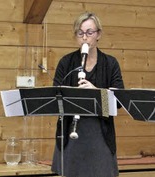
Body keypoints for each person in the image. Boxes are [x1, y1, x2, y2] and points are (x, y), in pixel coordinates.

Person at [50, 12, 124, 177]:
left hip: (99, 133)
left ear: (98, 34)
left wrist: (96, 92)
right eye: (80, 33)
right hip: (71, 131)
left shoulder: (110, 63)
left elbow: (119, 100)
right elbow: (56, 97)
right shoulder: (66, 62)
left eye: (89, 32)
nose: (85, 37)